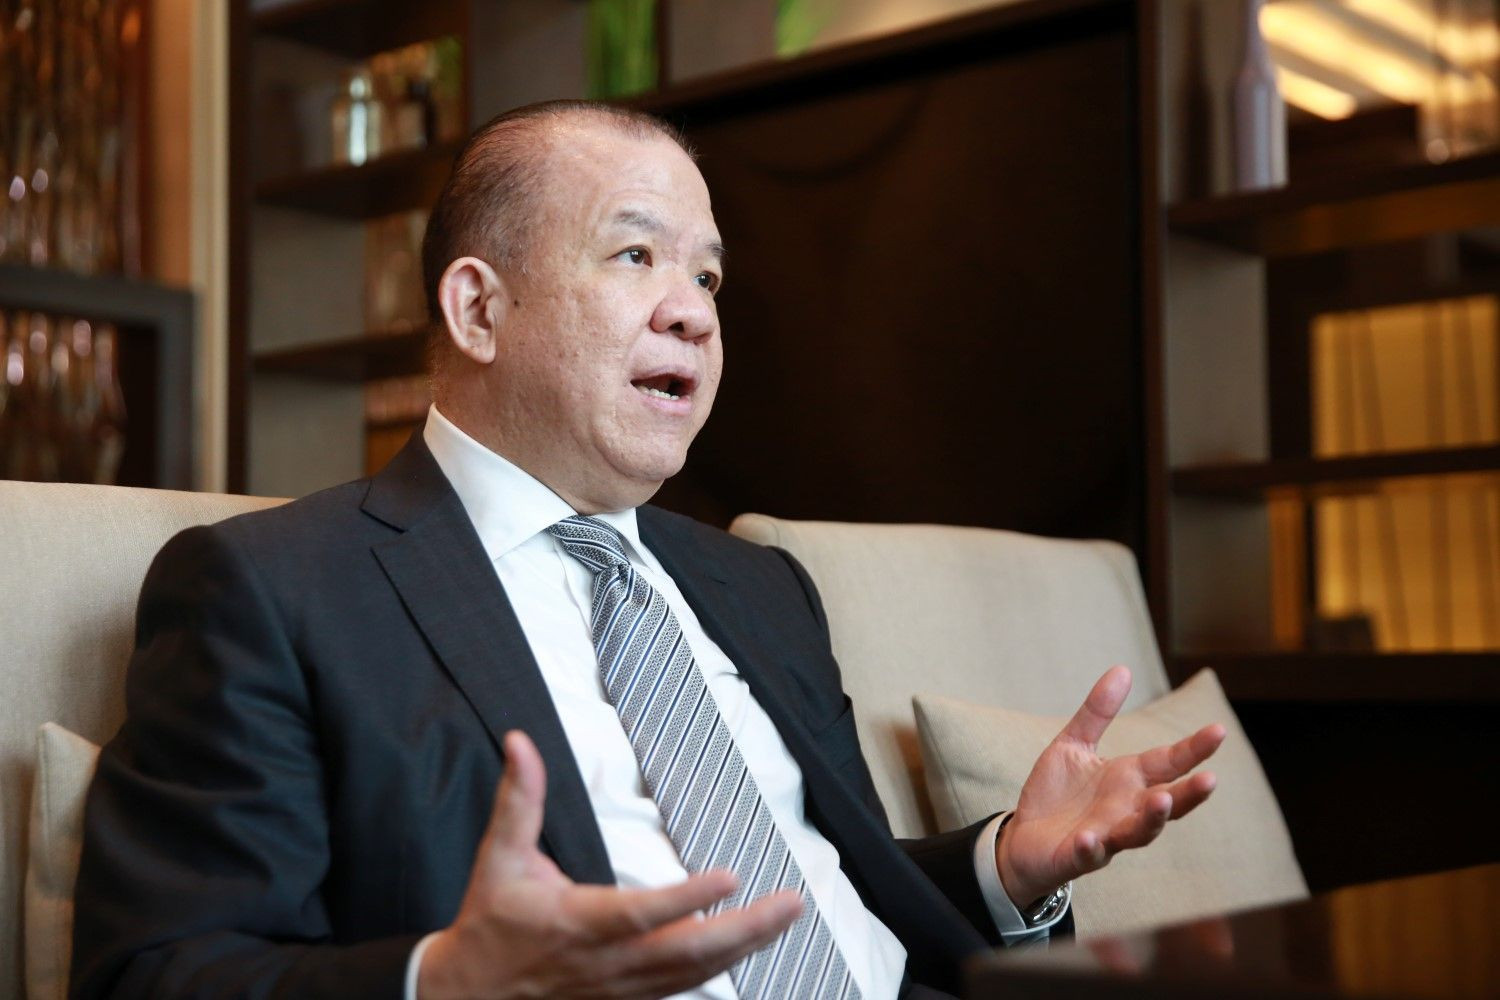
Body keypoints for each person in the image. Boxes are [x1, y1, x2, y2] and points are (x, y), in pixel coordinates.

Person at [71, 101, 1224, 1000]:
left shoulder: (759, 587)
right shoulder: (272, 589)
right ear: (478, 310)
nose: (695, 312)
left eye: (707, 274)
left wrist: (1007, 866)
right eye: (636, 256)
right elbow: (157, 972)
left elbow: (828, 892)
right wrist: (448, 979)